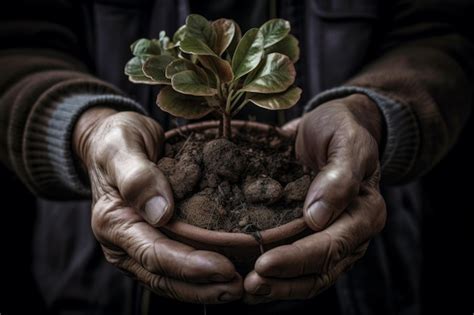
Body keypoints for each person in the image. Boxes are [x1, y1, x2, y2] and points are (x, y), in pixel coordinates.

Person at [0, 0, 472, 314]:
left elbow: (442, 33)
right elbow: (18, 43)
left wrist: (371, 115)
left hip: (364, 289)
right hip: (97, 291)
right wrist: (87, 130)